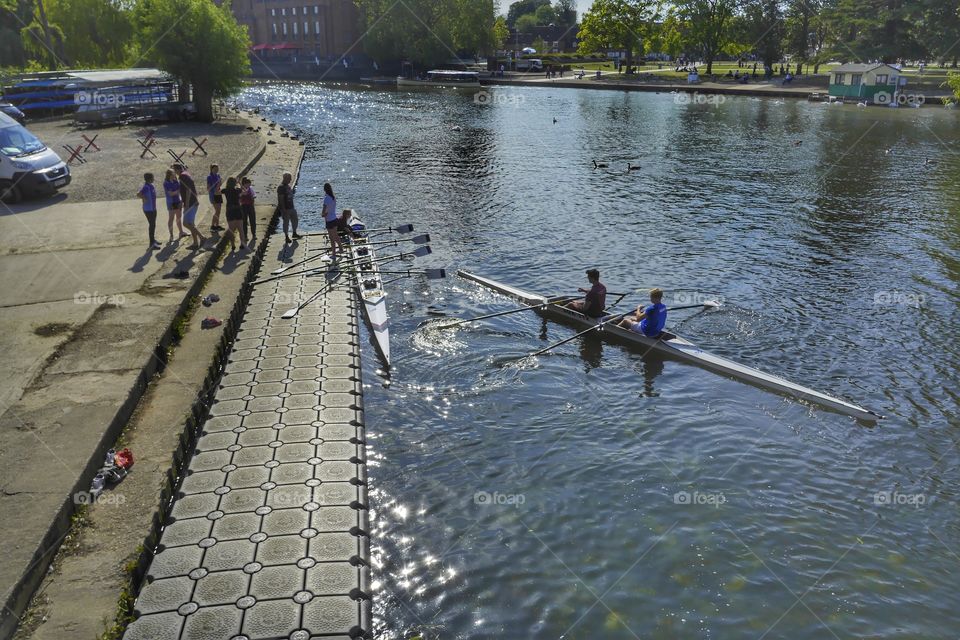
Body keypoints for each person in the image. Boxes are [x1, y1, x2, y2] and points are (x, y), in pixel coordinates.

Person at [174, 163, 205, 250]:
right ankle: (195, 243)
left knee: (186, 223)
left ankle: (202, 237)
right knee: (191, 224)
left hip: (190, 203)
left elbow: (188, 190)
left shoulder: (182, 176)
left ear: (177, 169)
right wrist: (183, 201)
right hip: (193, 201)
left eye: (174, 170)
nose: (174, 173)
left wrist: (186, 204)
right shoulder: (186, 174)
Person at [221, 176, 246, 252]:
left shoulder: (225, 190)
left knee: (231, 229)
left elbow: (216, 192)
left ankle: (233, 245)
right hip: (238, 210)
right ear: (235, 183)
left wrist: (219, 184)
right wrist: (240, 183)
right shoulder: (237, 190)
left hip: (230, 211)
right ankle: (242, 244)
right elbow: (245, 192)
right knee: (241, 229)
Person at [137, 172, 161, 250]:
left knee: (153, 225)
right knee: (152, 225)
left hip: (153, 208)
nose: (154, 179)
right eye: (153, 177)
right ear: (150, 179)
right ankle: (151, 244)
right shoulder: (146, 187)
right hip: (148, 209)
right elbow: (138, 194)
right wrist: (144, 198)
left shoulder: (151, 185)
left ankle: (153, 240)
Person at [162, 169, 186, 243]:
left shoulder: (176, 181)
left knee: (179, 217)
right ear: (169, 175)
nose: (174, 175)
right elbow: (171, 194)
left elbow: (178, 192)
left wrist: (181, 200)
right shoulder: (166, 183)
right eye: (173, 174)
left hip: (178, 201)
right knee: (171, 219)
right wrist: (177, 191)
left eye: (174, 174)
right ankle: (171, 235)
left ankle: (181, 232)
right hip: (171, 203)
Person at [277, 172, 301, 244]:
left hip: (291, 207)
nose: (290, 180)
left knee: (295, 219)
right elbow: (281, 199)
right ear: (285, 178)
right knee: (286, 223)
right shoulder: (281, 187)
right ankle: (286, 236)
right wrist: (283, 209)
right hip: (286, 208)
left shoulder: (288, 186)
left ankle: (294, 232)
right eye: (289, 178)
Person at [321, 182, 343, 260]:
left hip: (329, 220)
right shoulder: (333, 197)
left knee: (331, 238)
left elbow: (323, 211)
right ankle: (341, 248)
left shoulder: (326, 198)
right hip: (334, 218)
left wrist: (322, 214)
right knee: (336, 235)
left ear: (324, 190)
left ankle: (334, 254)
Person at [206, 164, 224, 232]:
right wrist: (217, 184)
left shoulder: (218, 175)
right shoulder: (209, 177)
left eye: (217, 169)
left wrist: (220, 183)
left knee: (219, 211)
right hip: (213, 195)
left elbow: (219, 184)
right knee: (217, 211)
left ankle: (217, 225)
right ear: (212, 169)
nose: (216, 170)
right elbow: (208, 188)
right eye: (215, 169)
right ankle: (212, 226)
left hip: (218, 194)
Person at [240, 176, 256, 242]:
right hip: (244, 207)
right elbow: (241, 196)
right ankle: (245, 236)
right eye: (248, 184)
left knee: (253, 220)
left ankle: (254, 234)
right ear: (244, 184)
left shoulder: (250, 188)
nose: (249, 185)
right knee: (244, 222)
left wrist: (253, 197)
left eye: (250, 184)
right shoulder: (240, 189)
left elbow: (254, 194)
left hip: (250, 206)